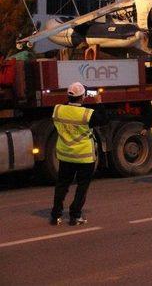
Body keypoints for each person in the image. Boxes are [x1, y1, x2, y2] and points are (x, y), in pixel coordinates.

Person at [50, 82, 107, 226]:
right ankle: (75, 216)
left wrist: (74, 98)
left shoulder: (58, 110)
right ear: (83, 97)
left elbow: (66, 105)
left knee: (62, 185)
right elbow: (104, 120)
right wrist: (99, 103)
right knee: (82, 186)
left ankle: (55, 216)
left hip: (65, 155)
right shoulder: (88, 114)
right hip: (84, 157)